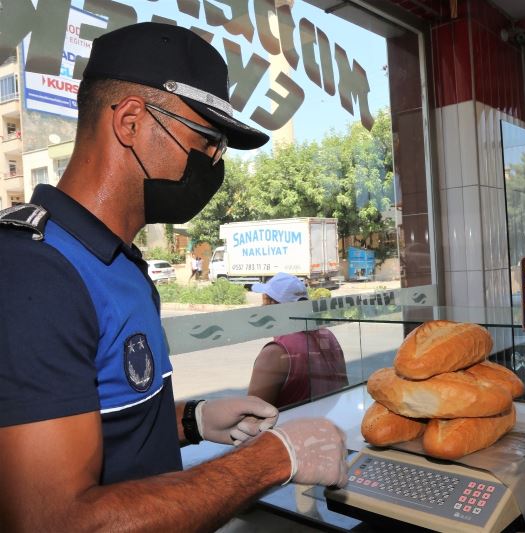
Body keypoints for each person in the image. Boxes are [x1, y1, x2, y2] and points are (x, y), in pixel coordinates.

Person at [0, 23, 347, 531]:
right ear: (132, 122)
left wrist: (192, 420)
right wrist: (274, 459)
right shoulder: (35, 274)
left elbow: (104, 425)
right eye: (207, 139)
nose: (214, 163)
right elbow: (55, 520)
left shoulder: (119, 262)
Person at [248, 273, 349, 408]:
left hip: (290, 428)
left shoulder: (275, 353)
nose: (262, 307)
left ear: (274, 306)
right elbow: (342, 386)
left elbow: (253, 415)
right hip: (326, 423)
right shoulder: (327, 335)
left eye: (265, 301)